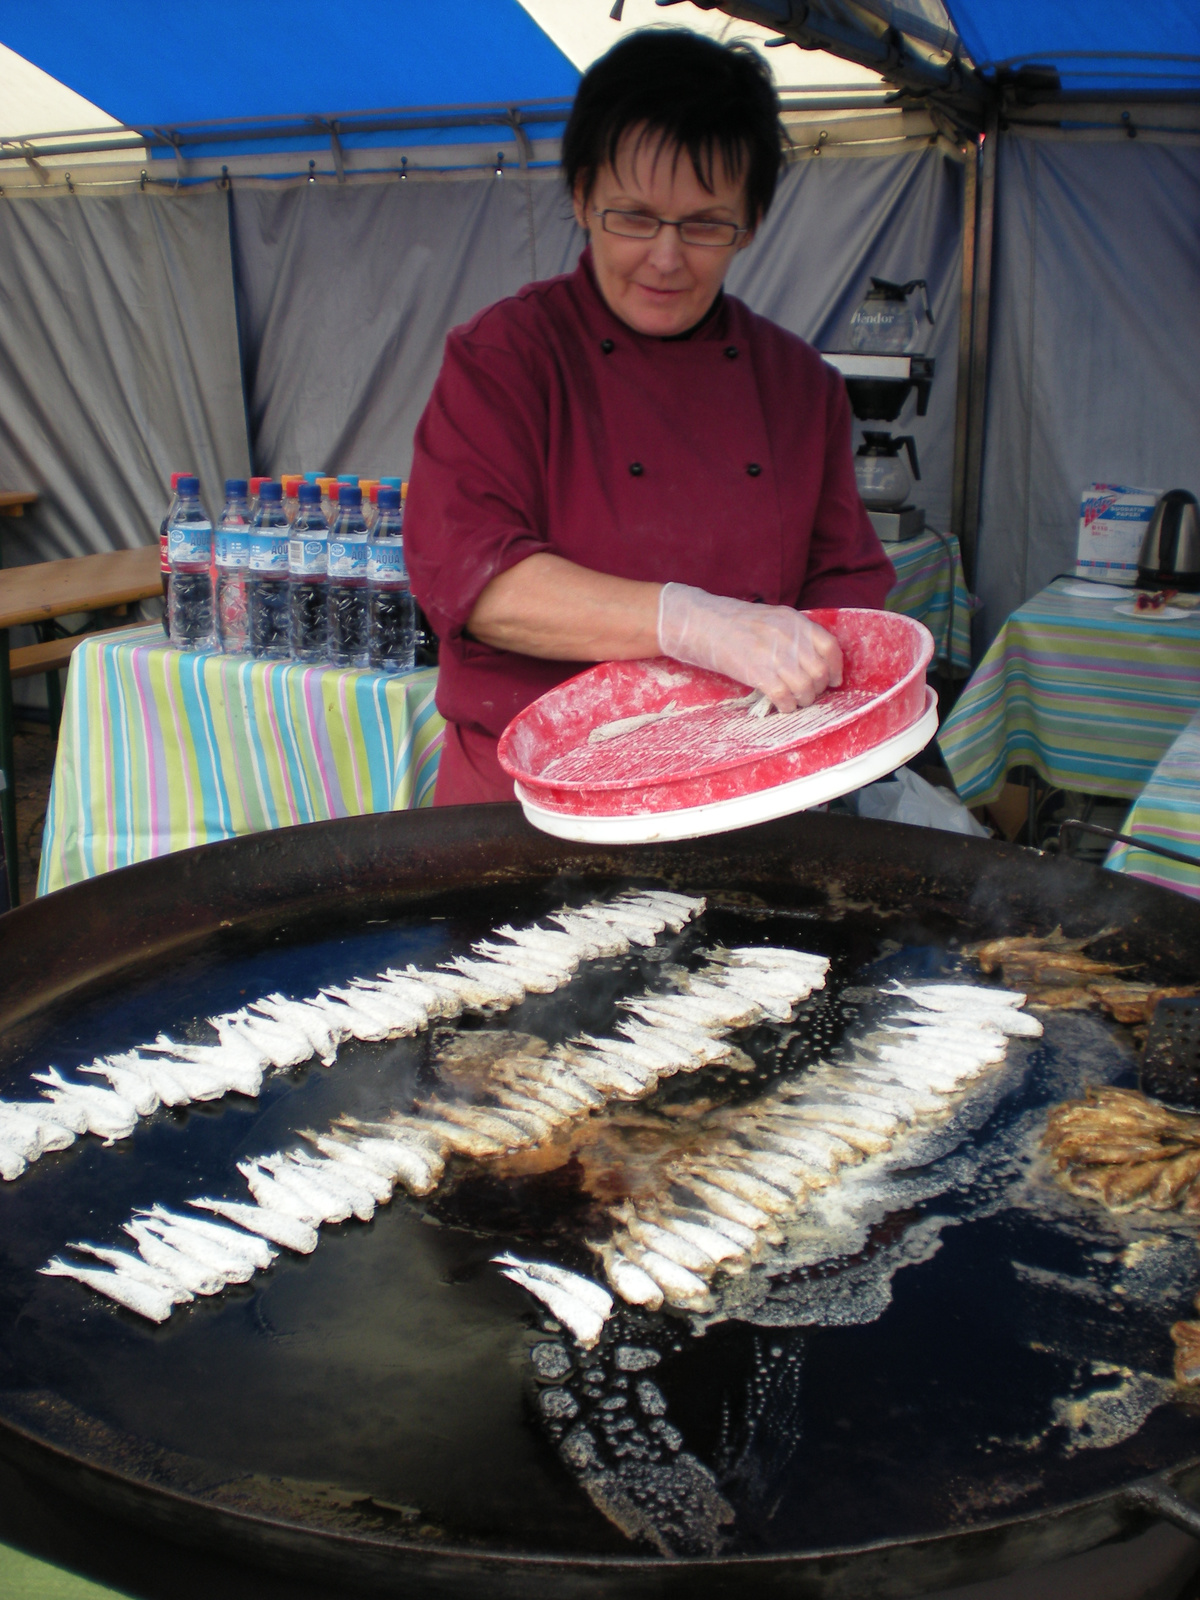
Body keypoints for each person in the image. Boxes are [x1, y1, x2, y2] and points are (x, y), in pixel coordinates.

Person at [405, 28, 895, 806]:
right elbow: (475, 582)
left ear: (753, 221)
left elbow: (846, 601)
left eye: (705, 224)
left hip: (742, 794)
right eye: (632, 217)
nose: (666, 258)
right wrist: (697, 623)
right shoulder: (506, 357)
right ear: (580, 198)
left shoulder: (800, 385)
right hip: (525, 807)